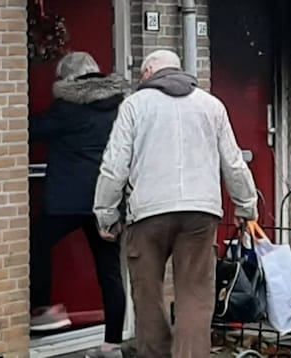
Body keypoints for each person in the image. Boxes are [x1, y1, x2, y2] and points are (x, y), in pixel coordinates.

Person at [95, 49, 258, 358]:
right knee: (195, 296)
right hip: (200, 213)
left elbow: (114, 166)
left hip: (148, 213)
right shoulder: (211, 106)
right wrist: (245, 205)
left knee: (147, 294)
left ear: (148, 73)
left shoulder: (134, 106)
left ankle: (154, 353)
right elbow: (234, 163)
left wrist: (105, 214)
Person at [29, 51, 129, 358]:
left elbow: (32, 131)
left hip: (68, 202)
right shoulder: (120, 107)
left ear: (67, 78)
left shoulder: (67, 107)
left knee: (36, 245)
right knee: (109, 270)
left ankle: (43, 308)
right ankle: (113, 342)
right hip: (106, 201)